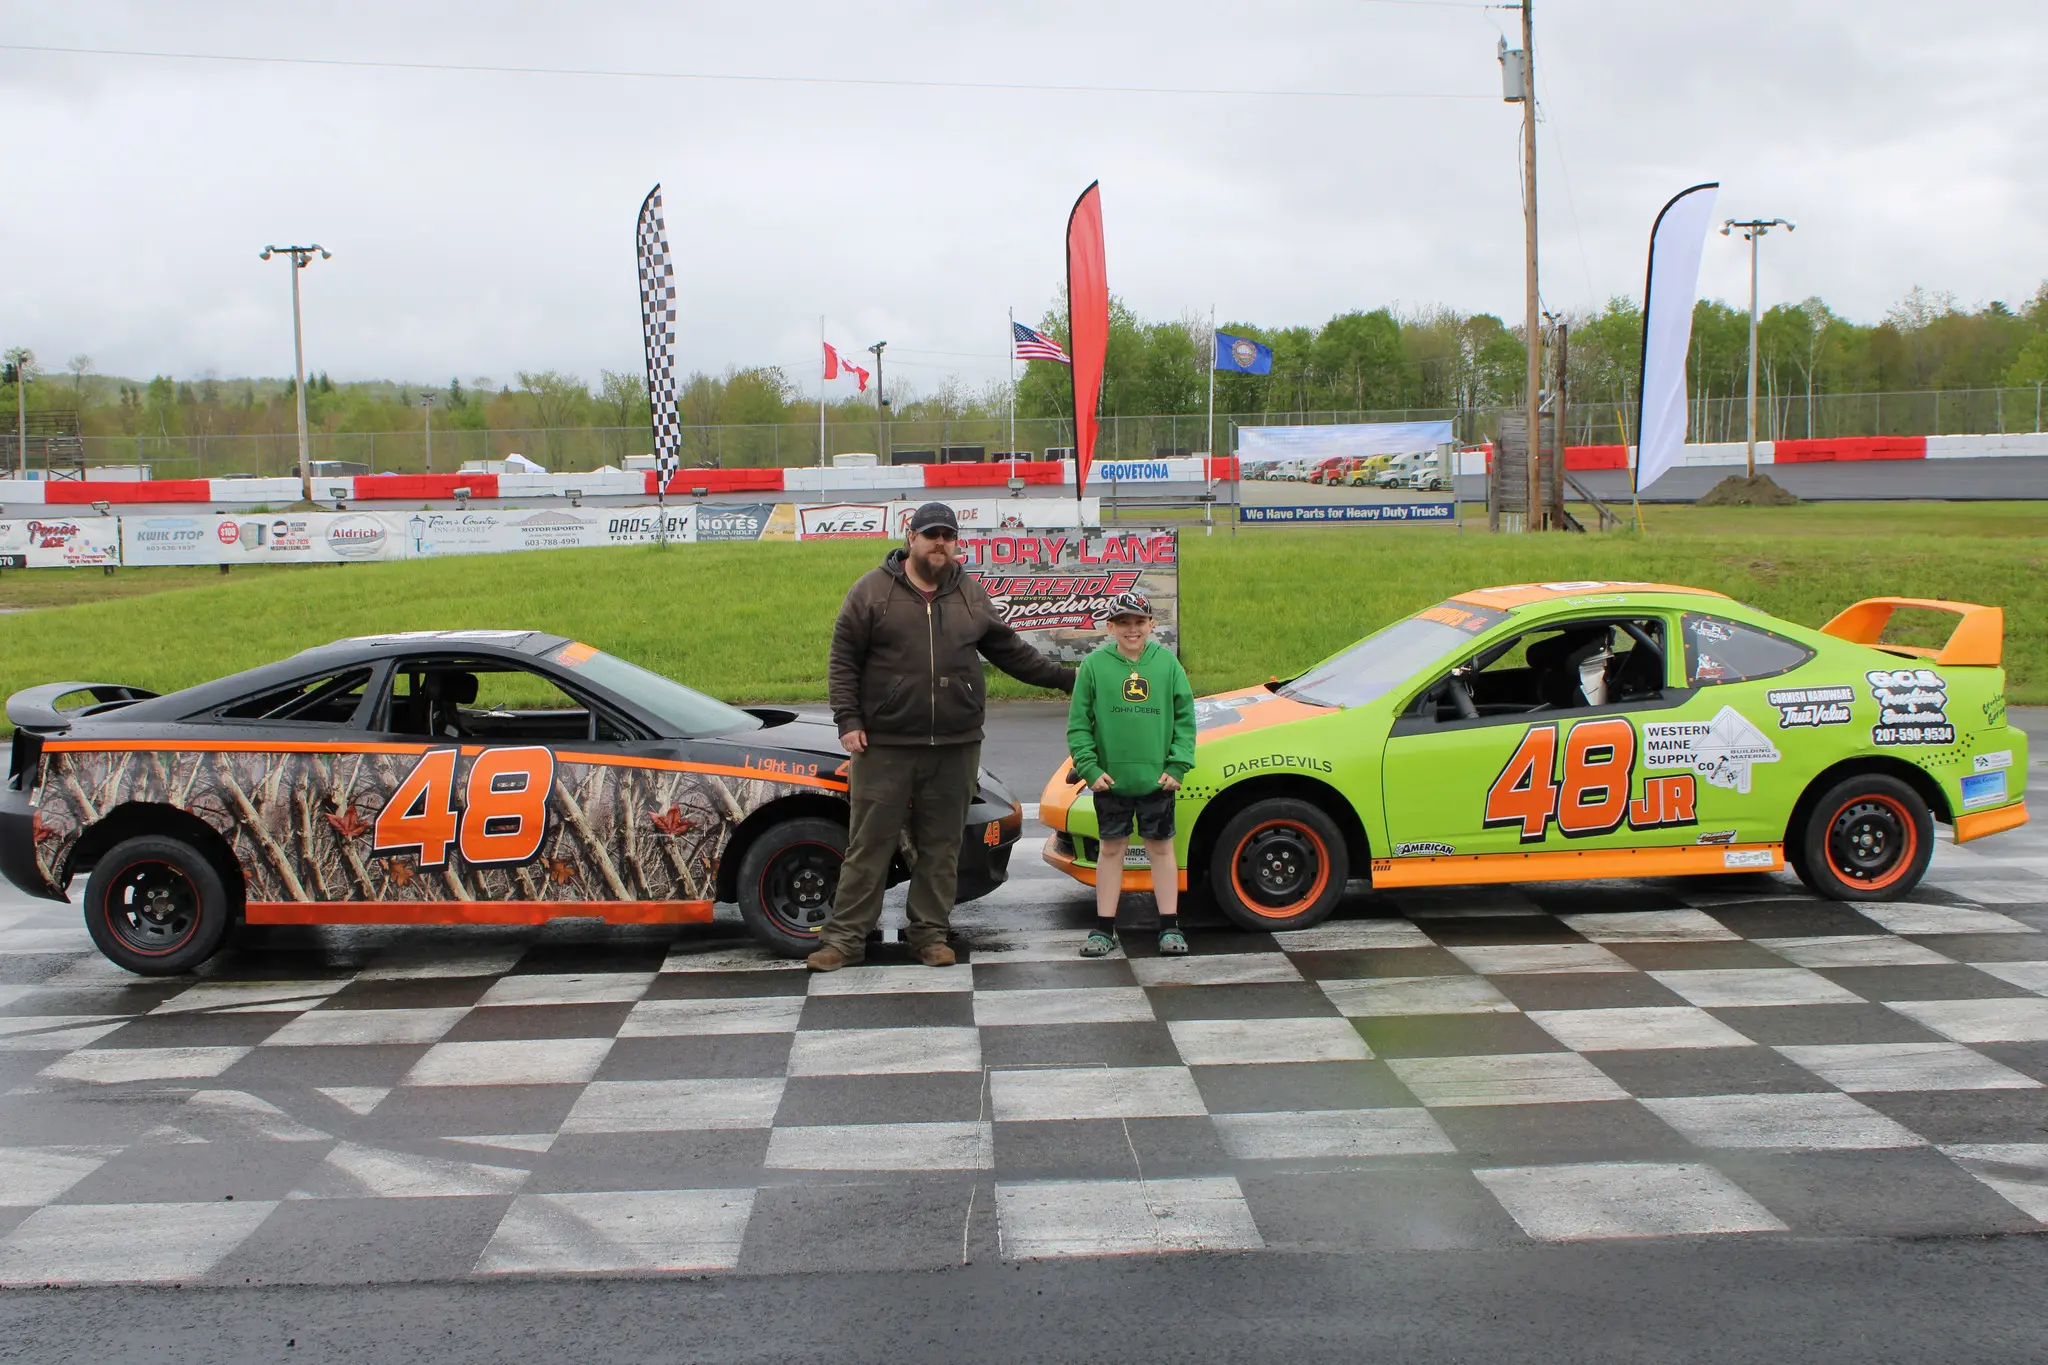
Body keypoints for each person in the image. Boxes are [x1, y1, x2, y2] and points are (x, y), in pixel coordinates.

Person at [811, 502, 1077, 971]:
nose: (939, 542)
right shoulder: (871, 592)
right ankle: (845, 940)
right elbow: (843, 658)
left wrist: (1066, 679)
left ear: (956, 543)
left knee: (941, 845)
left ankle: (929, 935)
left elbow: (1010, 651)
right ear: (909, 536)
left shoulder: (970, 595)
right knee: (870, 843)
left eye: (948, 536)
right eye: (931, 533)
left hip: (955, 744)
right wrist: (848, 720)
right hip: (886, 745)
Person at [1066, 591, 1196, 958]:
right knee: (1110, 850)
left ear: (1152, 624)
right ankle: (1104, 928)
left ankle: (1169, 926)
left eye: (1139, 622)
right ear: (1110, 627)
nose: (1132, 629)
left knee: (1160, 848)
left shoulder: (1167, 665)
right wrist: (1089, 768)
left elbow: (1185, 719)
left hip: (1157, 779)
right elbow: (1078, 725)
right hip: (1111, 780)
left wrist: (1178, 764)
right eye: (1123, 622)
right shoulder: (1094, 666)